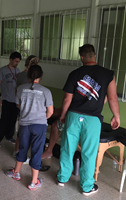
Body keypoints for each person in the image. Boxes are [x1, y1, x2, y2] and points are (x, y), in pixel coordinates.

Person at [57, 44, 120, 196]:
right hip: (92, 120)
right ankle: (86, 186)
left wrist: (63, 115)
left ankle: (62, 178)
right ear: (95, 55)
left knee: (67, 147)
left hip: (73, 115)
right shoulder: (108, 74)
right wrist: (116, 115)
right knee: (89, 153)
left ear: (82, 57)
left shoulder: (75, 73)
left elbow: (67, 98)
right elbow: (112, 98)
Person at [6, 65, 53, 190]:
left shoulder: (21, 88)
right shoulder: (46, 91)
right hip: (39, 126)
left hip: (24, 124)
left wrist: (28, 111)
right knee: (37, 151)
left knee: (22, 148)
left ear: (28, 76)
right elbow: (50, 112)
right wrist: (41, 118)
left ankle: (16, 173)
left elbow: (19, 105)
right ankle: (34, 181)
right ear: (40, 77)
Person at [14, 55, 40, 156]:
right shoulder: (32, 77)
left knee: (22, 129)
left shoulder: (20, 75)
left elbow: (16, 90)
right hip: (29, 107)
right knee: (25, 131)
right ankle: (21, 153)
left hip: (21, 105)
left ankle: (17, 150)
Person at [0, 52, 21, 147]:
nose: (17, 63)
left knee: (13, 120)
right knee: (4, 120)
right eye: (16, 61)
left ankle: (9, 136)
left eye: (18, 62)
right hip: (6, 99)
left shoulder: (18, 71)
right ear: (11, 59)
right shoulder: (3, 70)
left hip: (16, 100)